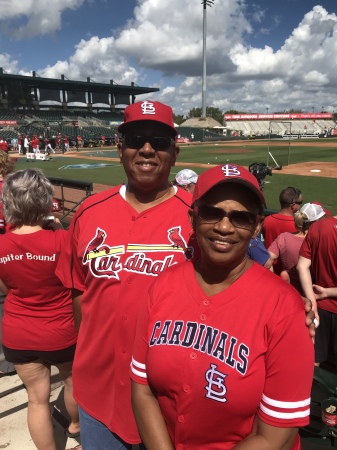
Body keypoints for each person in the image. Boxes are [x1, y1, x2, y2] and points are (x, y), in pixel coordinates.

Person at [131, 164, 314, 450]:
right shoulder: (162, 287)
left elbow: (277, 435)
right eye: (211, 212)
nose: (224, 227)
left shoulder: (284, 307)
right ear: (193, 218)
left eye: (240, 217)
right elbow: (142, 389)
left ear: (256, 226)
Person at [55, 100, 195, 450]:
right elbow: (78, 292)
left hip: (169, 396)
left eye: (159, 141)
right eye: (135, 138)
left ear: (174, 153)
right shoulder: (88, 213)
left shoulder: (198, 218)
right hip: (98, 388)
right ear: (120, 150)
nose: (147, 149)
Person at [0, 169, 80, 450]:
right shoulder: (62, 240)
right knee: (72, 383)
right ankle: (75, 425)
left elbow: (5, 289)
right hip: (61, 331)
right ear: (45, 200)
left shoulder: (1, 244)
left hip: (18, 332)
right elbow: (75, 284)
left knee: (36, 399)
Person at [298, 211, 337, 367]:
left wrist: (313, 304)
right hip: (324, 304)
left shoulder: (318, 227)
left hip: (321, 308)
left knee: (314, 363)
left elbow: (302, 266)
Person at [268, 203, 326, 294]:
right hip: (314, 293)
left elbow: (266, 258)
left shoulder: (284, 237)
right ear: (317, 221)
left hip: (289, 292)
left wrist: (271, 281)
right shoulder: (321, 241)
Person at [262, 186, 303, 274]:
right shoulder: (297, 225)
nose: (300, 205)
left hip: (268, 267)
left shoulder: (267, 220)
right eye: (300, 203)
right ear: (293, 205)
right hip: (288, 272)